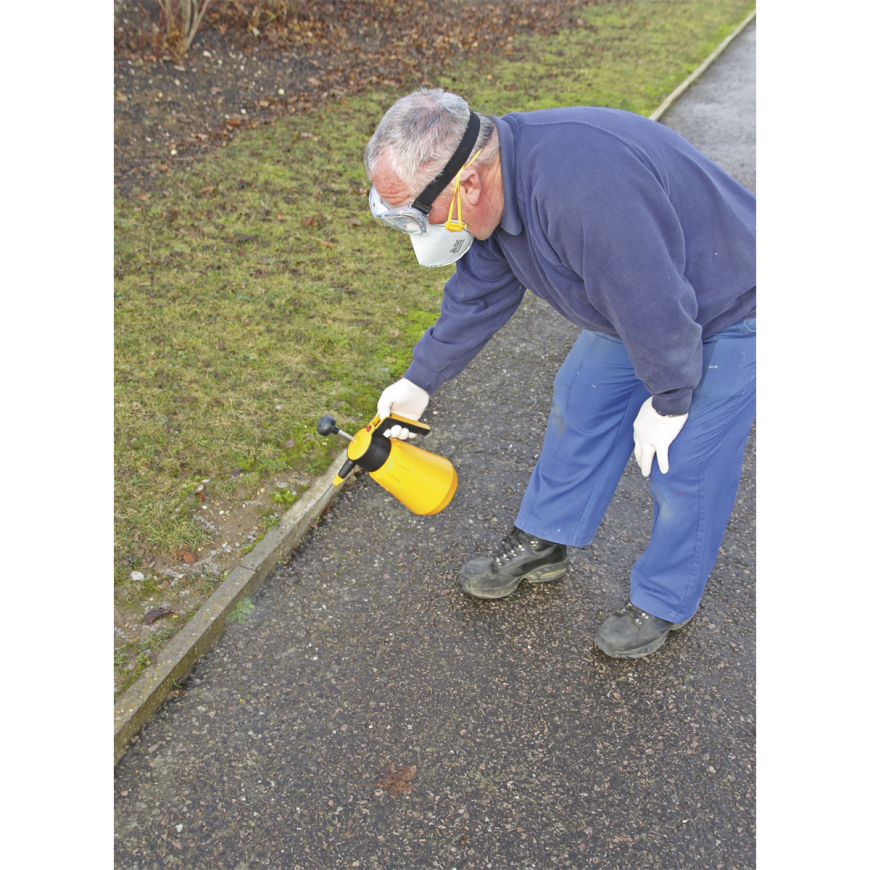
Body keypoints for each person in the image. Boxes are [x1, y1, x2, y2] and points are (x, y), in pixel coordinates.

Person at [364, 89, 757, 659]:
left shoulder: (585, 192)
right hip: (637, 302)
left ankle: (664, 599)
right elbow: (479, 296)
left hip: (728, 302)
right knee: (583, 394)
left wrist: (670, 401)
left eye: (414, 214)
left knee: (684, 461)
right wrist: (419, 380)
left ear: (467, 184)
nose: (416, 230)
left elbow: (656, 304)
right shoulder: (494, 190)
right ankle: (547, 538)